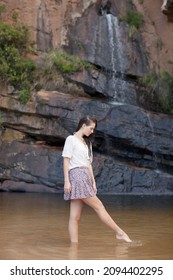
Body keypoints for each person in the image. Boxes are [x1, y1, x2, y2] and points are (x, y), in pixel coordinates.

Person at [62, 116, 131, 243]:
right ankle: (119, 233)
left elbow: (88, 164)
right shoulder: (71, 139)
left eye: (93, 129)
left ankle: (74, 248)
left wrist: (93, 182)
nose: (92, 131)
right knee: (99, 206)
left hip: (85, 176)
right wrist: (66, 181)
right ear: (83, 125)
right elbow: (66, 160)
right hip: (76, 176)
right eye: (91, 128)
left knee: (75, 216)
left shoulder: (87, 143)